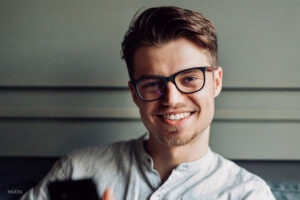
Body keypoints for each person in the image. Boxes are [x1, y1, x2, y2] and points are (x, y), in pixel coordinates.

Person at [21, 6, 275, 200]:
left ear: (216, 82)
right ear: (135, 93)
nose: (172, 99)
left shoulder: (248, 194)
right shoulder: (77, 170)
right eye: (153, 83)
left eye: (189, 78)